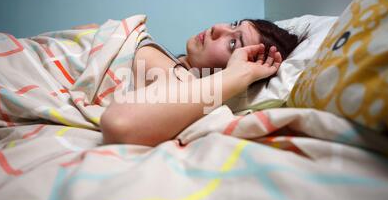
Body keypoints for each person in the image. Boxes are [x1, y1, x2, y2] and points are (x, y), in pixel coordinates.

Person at [74, 19, 302, 146]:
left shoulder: (180, 77)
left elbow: (120, 123)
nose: (218, 28)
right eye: (233, 24)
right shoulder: (171, 63)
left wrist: (237, 75)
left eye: (233, 43)